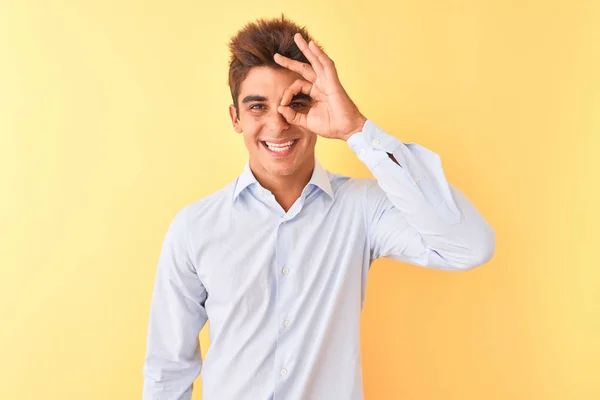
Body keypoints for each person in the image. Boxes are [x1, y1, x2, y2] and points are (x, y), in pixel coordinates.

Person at [142, 15, 495, 400]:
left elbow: (470, 246)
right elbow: (168, 369)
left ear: (317, 105)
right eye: (257, 106)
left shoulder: (362, 209)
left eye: (295, 103)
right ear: (235, 118)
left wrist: (356, 129)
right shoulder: (194, 227)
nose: (278, 125)